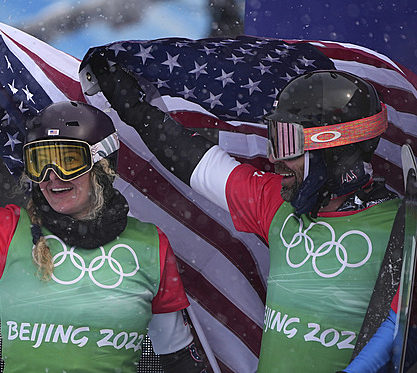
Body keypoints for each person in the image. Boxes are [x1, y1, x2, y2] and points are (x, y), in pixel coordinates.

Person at [0, 41, 208, 373]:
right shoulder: (9, 232)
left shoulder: (150, 246)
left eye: (68, 161)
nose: (52, 178)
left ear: (102, 165)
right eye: (40, 163)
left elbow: (177, 357)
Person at [84, 57, 403, 372]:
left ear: (333, 149)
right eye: (273, 139)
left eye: (287, 143)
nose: (273, 159)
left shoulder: (402, 229)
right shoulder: (278, 204)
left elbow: (403, 327)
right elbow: (194, 160)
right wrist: (133, 108)